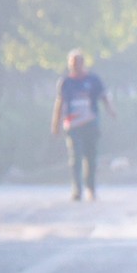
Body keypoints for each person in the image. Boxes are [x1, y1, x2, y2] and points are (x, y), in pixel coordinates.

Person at [50, 51, 108, 201]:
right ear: (70, 65)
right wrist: (56, 124)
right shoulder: (65, 82)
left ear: (83, 63)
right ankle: (77, 189)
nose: (76, 66)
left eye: (78, 63)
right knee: (75, 157)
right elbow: (59, 103)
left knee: (91, 157)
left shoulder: (93, 80)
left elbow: (103, 97)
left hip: (90, 122)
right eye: (73, 63)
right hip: (73, 125)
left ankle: (91, 188)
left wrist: (111, 110)